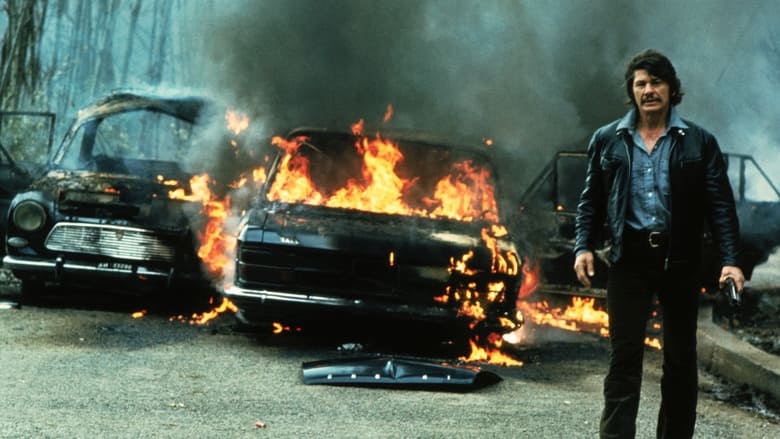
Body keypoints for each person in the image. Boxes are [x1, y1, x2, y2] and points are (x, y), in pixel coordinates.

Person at [572, 49, 745, 438]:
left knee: (680, 360)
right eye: (641, 84)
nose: (649, 90)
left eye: (657, 82)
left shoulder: (699, 142)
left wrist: (731, 261)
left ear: (671, 88)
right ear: (631, 91)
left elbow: (721, 207)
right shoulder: (608, 139)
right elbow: (590, 202)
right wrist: (583, 247)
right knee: (624, 358)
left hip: (680, 260)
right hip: (628, 259)